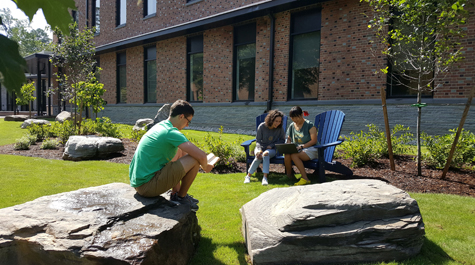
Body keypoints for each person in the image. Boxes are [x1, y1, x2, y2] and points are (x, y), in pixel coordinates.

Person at [129, 99, 213, 211]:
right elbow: (201, 156)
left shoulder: (161, 126)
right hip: (147, 187)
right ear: (181, 116)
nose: (187, 125)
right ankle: (181, 197)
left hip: (139, 182)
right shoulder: (170, 132)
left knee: (181, 151)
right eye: (188, 121)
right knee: (194, 159)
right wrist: (206, 167)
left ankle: (176, 193)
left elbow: (177, 157)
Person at [244, 110, 285, 185]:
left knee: (265, 154)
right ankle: (248, 176)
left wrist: (272, 145)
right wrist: (259, 150)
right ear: (271, 120)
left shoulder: (280, 129)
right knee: (259, 156)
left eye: (279, 121)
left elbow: (282, 140)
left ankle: (265, 178)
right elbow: (258, 141)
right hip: (260, 147)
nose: (278, 123)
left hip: (271, 149)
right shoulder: (262, 126)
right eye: (276, 121)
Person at [284, 106, 318, 186]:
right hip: (297, 149)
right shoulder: (292, 126)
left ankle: (305, 178)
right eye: (293, 118)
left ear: (302, 115)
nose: (295, 120)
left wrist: (302, 146)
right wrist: (288, 145)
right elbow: (289, 138)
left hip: (311, 148)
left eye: (297, 118)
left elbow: (314, 141)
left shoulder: (310, 125)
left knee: (294, 155)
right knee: (287, 154)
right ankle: (289, 176)